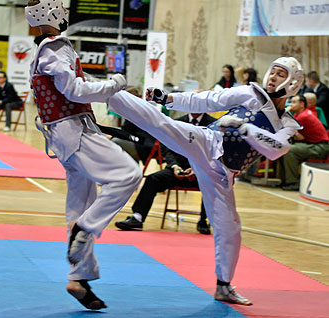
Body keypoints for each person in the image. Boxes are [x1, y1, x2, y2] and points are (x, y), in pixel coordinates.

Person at [107, 57, 305, 306]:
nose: (273, 77)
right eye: (273, 72)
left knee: (230, 228)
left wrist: (245, 129)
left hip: (223, 173)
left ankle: (224, 286)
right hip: (209, 142)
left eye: (280, 74)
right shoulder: (250, 93)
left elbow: (278, 149)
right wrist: (168, 98)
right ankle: (107, 92)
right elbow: (209, 99)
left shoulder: (287, 123)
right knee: (163, 124)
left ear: (293, 83)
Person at [25, 0, 141, 310]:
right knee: (128, 174)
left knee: (81, 202)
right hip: (73, 132)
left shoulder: (40, 50)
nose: (65, 10)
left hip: (65, 135)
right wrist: (114, 84)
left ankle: (80, 277)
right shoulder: (56, 46)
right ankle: (87, 228)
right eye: (60, 7)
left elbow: (71, 89)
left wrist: (101, 93)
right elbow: (75, 90)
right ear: (51, 13)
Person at [115, 112, 216, 234]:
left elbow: (216, 152)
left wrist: (198, 169)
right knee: (153, 179)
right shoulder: (176, 122)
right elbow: (167, 147)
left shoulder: (215, 125)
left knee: (213, 184)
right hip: (176, 169)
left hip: (202, 172)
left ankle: (203, 220)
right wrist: (174, 165)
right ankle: (137, 217)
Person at [280, 94, 329, 190]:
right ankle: (285, 180)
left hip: (320, 147)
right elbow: (298, 136)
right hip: (313, 144)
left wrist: (288, 110)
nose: (291, 104)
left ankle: (293, 182)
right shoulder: (301, 114)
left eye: (294, 102)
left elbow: (284, 126)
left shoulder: (304, 116)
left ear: (302, 104)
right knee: (283, 148)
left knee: (289, 150)